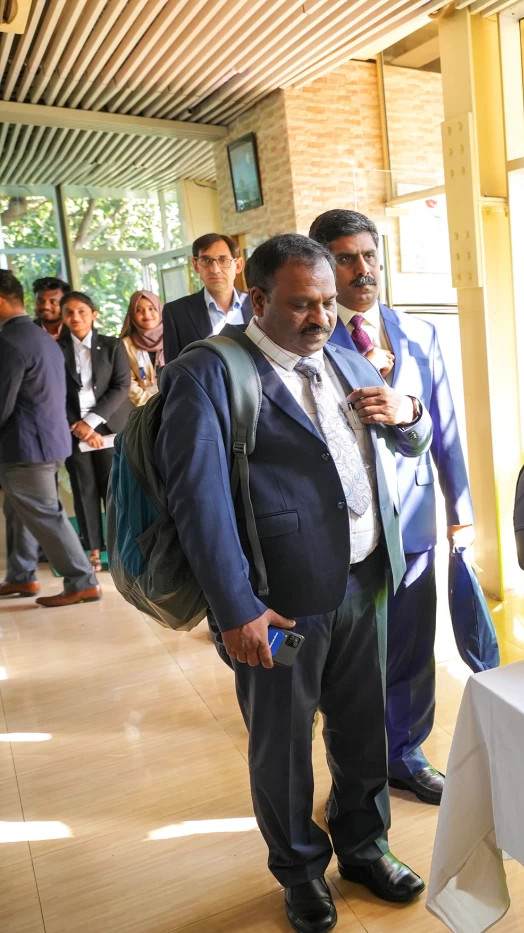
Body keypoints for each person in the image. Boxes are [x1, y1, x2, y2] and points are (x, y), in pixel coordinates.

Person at [155, 234, 432, 933]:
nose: (321, 318)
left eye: (329, 302)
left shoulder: (344, 354)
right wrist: (235, 609)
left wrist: (410, 414)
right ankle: (300, 869)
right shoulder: (209, 374)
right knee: (282, 746)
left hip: (364, 580)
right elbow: (199, 502)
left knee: (363, 729)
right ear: (257, 299)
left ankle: (365, 847)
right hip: (278, 604)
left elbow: (405, 441)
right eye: (303, 304)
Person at [310, 209, 474, 808]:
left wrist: (461, 507)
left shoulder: (419, 335)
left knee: (411, 646)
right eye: (345, 258)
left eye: (369, 255)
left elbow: (445, 422)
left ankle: (405, 755)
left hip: (415, 518)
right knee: (352, 664)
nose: (363, 269)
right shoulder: (312, 340)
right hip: (348, 530)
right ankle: (357, 773)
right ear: (323, 266)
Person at [0, 270, 101, 606]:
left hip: (27, 446)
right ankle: (21, 575)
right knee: (19, 510)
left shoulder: (10, 341)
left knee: (45, 514)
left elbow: (2, 402)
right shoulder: (40, 337)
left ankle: (82, 581)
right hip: (47, 441)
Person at [59, 291, 132, 573]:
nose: (75, 317)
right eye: (69, 312)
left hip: (107, 426)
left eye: (81, 311)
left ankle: (118, 549)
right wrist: (80, 426)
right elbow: (53, 391)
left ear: (94, 314)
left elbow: (121, 386)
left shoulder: (112, 345)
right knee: (83, 489)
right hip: (72, 428)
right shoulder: (56, 348)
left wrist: (90, 423)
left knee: (112, 489)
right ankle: (93, 550)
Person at [162, 232, 249, 360]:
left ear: (238, 265)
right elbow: (173, 368)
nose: (215, 269)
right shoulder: (176, 313)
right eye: (206, 261)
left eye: (223, 260)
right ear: (195, 265)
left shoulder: (259, 304)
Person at [121, 289, 164, 407]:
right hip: (145, 408)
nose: (146, 314)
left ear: (160, 309)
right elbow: (129, 382)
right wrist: (153, 406)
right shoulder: (125, 345)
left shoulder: (173, 335)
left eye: (151, 308)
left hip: (178, 402)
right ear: (132, 315)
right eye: (139, 310)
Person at [31, 275, 68, 339]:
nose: (46, 306)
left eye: (53, 302)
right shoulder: (27, 332)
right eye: (40, 301)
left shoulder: (76, 331)